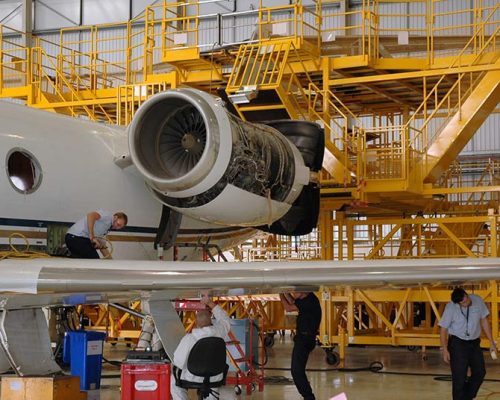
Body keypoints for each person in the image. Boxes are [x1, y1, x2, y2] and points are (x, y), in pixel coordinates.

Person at [439, 287, 497, 400]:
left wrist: (491, 342)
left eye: (467, 299)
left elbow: (484, 321)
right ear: (458, 303)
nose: (466, 303)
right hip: (458, 343)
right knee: (459, 377)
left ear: (467, 294)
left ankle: (467, 396)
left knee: (480, 372)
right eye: (463, 303)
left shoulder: (478, 300)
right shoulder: (450, 307)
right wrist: (445, 349)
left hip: (474, 343)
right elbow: (443, 329)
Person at [171, 294, 231, 400]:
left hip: (193, 377)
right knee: (213, 382)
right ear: (211, 322)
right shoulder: (220, 332)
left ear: (196, 323)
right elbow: (225, 320)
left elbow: (178, 361)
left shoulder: (190, 338)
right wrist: (210, 303)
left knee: (174, 382)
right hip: (215, 378)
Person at [280, 292, 322, 400]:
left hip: (304, 339)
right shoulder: (308, 298)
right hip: (305, 338)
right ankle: (308, 396)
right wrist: (284, 292)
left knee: (296, 371)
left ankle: (309, 397)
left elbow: (288, 307)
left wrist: (280, 294)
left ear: (304, 291)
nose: (293, 293)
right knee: (298, 370)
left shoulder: (309, 301)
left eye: (296, 291)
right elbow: (293, 301)